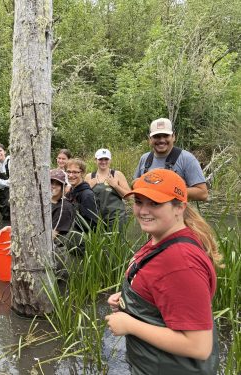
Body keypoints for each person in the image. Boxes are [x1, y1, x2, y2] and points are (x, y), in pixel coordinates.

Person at [105, 169, 221, 375]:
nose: (143, 210)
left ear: (179, 207)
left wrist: (130, 324)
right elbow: (162, 289)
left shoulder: (181, 263)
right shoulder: (161, 237)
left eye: (155, 203)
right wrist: (130, 299)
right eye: (139, 201)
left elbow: (199, 346)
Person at [133, 118, 208, 201]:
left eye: (165, 136)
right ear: (150, 139)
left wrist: (170, 189)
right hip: (148, 212)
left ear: (173, 137)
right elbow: (134, 185)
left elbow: (203, 193)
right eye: (156, 136)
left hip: (177, 212)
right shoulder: (144, 158)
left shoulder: (187, 158)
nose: (161, 140)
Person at [85, 148, 131, 229]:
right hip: (96, 218)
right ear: (95, 160)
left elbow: (128, 197)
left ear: (110, 160)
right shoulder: (89, 176)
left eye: (106, 159)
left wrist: (115, 185)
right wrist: (88, 188)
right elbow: (82, 198)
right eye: (100, 159)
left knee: (117, 241)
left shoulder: (117, 174)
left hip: (116, 218)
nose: (103, 162)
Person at [65, 158, 98, 230]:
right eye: (68, 172)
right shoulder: (70, 193)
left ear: (82, 173)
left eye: (75, 172)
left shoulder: (87, 195)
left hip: (82, 238)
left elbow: (92, 224)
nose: (70, 175)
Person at [50, 169, 75, 239]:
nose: (53, 186)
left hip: (56, 247)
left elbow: (52, 236)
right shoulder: (45, 203)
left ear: (63, 187)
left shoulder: (64, 208)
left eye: (58, 183)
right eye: (51, 182)